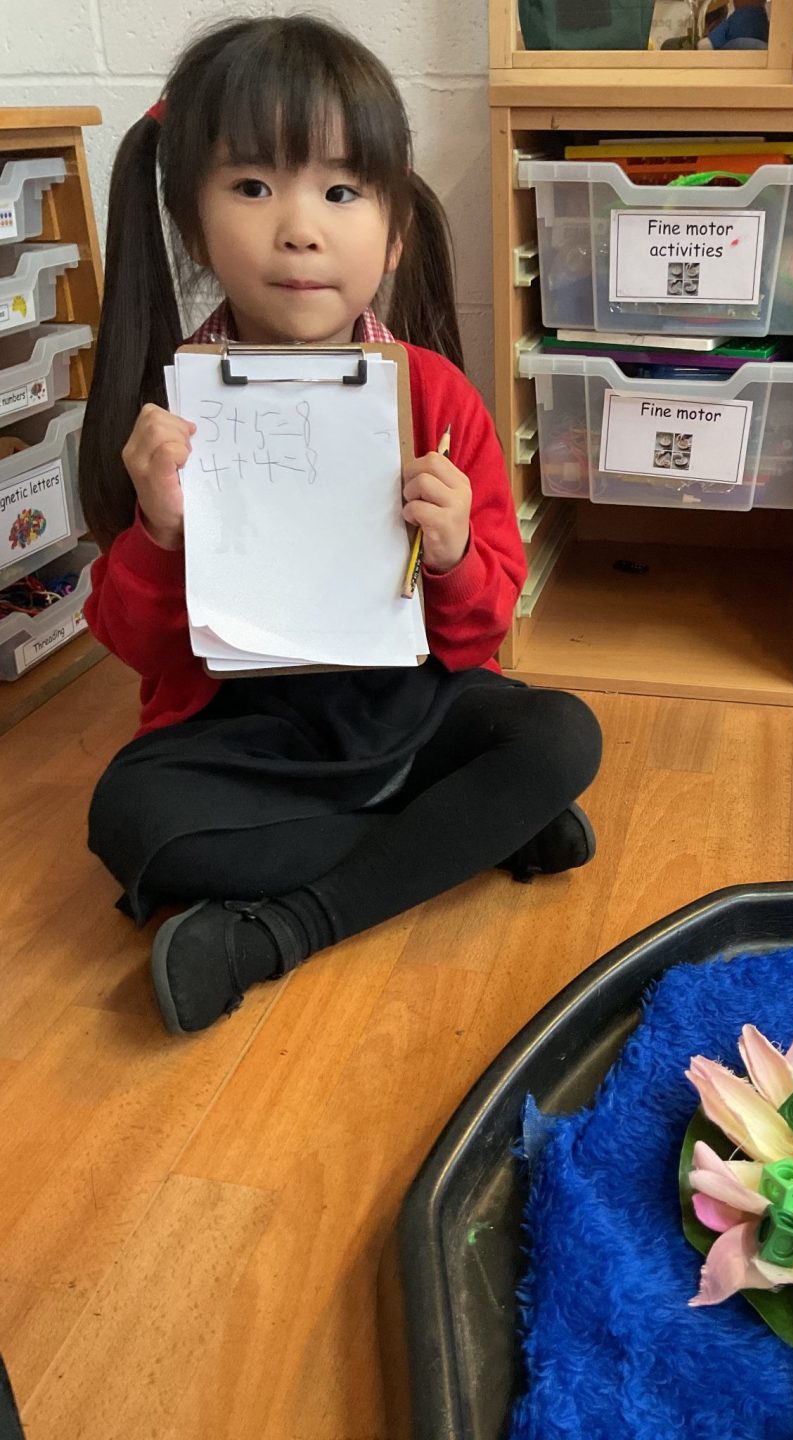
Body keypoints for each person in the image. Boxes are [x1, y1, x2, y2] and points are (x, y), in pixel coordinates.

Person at [79, 14, 602, 1036]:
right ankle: (466, 833)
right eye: (252, 185)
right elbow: (138, 646)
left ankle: (282, 930)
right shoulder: (166, 412)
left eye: (341, 190)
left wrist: (452, 553)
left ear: (394, 228)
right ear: (192, 224)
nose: (300, 228)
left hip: (409, 708)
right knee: (133, 827)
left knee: (558, 735)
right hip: (243, 731)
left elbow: (479, 634)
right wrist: (159, 534)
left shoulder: (435, 396)